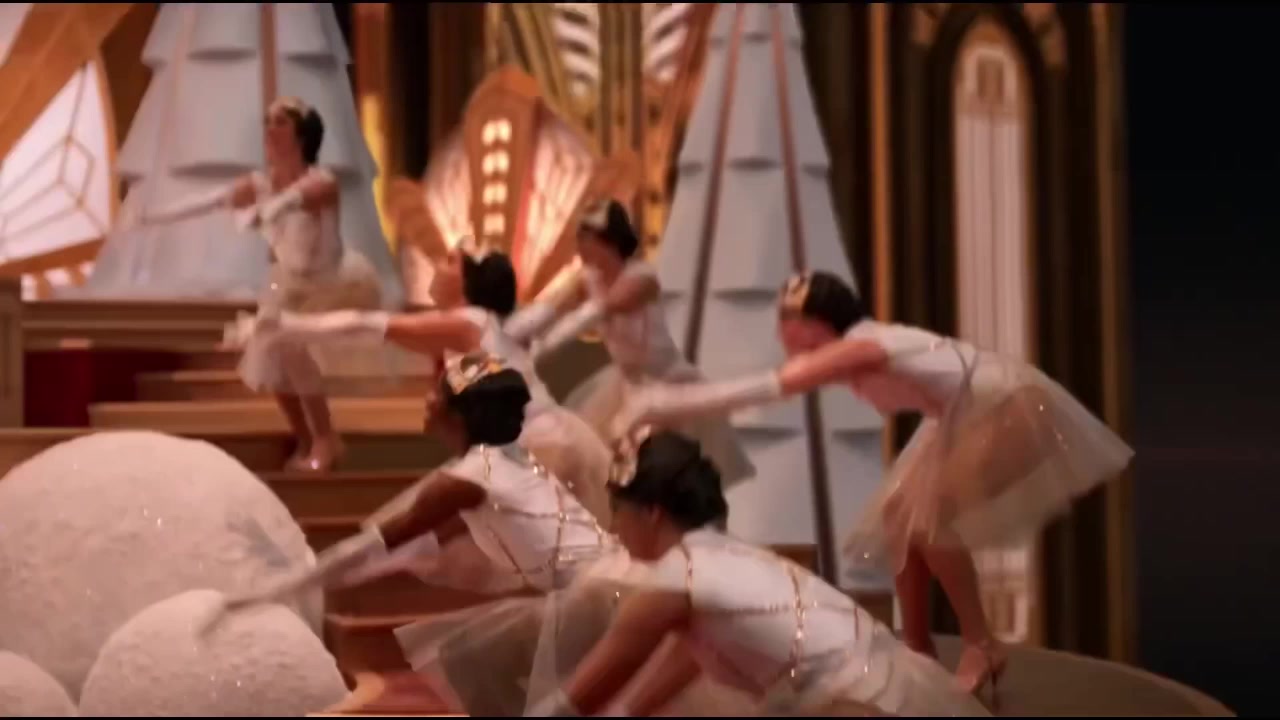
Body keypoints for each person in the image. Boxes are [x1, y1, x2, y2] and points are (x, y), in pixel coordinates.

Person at [614, 270, 1136, 700]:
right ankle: (918, 646)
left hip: (1001, 405)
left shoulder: (861, 346)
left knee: (932, 521)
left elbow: (772, 386)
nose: (787, 337)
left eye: (794, 324)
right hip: (956, 414)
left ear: (819, 324)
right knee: (898, 518)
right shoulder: (854, 347)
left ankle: (982, 643)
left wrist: (665, 403)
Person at [211, 351, 615, 715]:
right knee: (469, 659)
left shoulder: (468, 479)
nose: (427, 398)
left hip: (595, 594)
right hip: (607, 584)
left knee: (475, 663)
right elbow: (410, 548)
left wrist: (274, 589)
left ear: (456, 416)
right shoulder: (506, 462)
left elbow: (373, 546)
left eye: (436, 393)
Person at [524, 429, 991, 717]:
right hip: (904, 692)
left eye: (618, 512)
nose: (613, 527)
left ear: (652, 513)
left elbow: (575, 700)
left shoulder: (674, 581)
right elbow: (687, 654)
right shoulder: (727, 556)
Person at [224, 238, 613, 522]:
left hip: (534, 446)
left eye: (450, 261)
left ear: (468, 282)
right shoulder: (486, 324)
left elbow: (367, 324)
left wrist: (286, 325)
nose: (438, 266)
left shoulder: (469, 322)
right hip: (535, 441)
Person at [142, 96, 389, 473]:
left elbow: (293, 200)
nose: (270, 130)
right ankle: (306, 439)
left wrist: (264, 211)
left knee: (288, 345)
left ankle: (326, 439)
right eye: (268, 122)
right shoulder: (260, 184)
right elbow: (212, 200)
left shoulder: (322, 181)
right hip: (290, 284)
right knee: (268, 355)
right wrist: (157, 215)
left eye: (280, 122)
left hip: (332, 283)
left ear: (301, 135)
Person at [506, 198, 754, 494]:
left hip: (666, 383)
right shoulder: (589, 278)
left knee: (642, 462)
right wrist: (513, 336)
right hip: (625, 384)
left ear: (607, 241)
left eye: (585, 239)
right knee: (592, 457)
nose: (579, 247)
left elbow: (599, 311)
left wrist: (540, 350)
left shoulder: (641, 278)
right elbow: (552, 308)